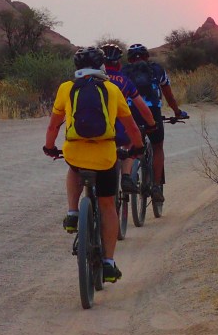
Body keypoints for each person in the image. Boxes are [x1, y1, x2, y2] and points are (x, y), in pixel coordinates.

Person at [43, 46, 144, 283]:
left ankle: (72, 213)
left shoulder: (66, 89)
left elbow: (54, 126)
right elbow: (131, 127)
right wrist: (136, 148)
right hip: (105, 156)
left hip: (75, 152)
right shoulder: (112, 89)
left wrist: (50, 147)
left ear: (77, 68)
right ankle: (108, 263)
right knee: (108, 205)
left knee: (73, 167)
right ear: (100, 67)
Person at [121, 43, 188, 203]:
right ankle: (156, 186)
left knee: (130, 144)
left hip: (131, 111)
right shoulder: (157, 70)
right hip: (153, 112)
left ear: (129, 59)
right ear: (147, 57)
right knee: (157, 147)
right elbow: (169, 96)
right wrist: (177, 112)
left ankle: (126, 176)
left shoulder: (124, 72)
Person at [99, 43, 156, 194]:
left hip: (95, 129)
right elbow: (142, 107)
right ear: (118, 63)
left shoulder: (92, 80)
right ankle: (125, 176)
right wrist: (151, 123)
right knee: (131, 140)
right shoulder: (124, 81)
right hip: (118, 130)